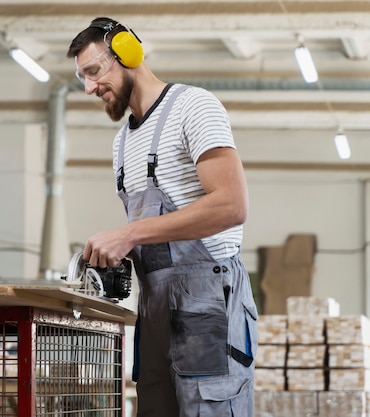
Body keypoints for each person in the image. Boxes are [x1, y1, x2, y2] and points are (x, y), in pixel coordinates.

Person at [67, 17, 258, 417]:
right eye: (82, 77)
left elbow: (231, 204)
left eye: (94, 71)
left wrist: (129, 234)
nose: (88, 87)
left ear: (128, 54)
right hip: (154, 308)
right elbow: (152, 235)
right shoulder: (122, 144)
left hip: (206, 303)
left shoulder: (193, 106)